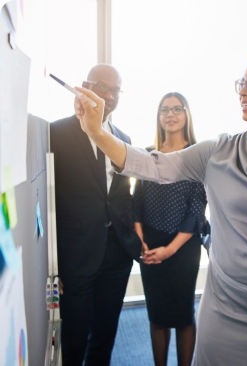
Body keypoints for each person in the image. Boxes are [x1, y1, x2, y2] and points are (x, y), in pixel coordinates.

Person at [74, 39, 247, 365]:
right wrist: (97, 133)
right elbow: (151, 165)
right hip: (225, 307)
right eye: (242, 83)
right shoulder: (217, 152)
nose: (243, 92)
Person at [50, 64, 141, 366]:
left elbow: (121, 194)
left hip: (117, 253)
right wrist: (54, 263)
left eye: (116, 90)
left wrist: (133, 236)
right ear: (85, 86)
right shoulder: (56, 133)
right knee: (74, 338)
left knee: (105, 334)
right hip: (76, 256)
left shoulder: (123, 137)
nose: (110, 95)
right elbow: (49, 200)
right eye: (103, 87)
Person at [133, 92, 208, 366]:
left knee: (183, 315)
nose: (170, 114)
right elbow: (137, 200)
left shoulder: (197, 154)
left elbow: (196, 210)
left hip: (184, 247)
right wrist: (140, 240)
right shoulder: (148, 154)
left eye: (177, 108)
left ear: (186, 114)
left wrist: (169, 250)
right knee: (157, 313)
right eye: (165, 109)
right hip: (150, 245)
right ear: (159, 116)